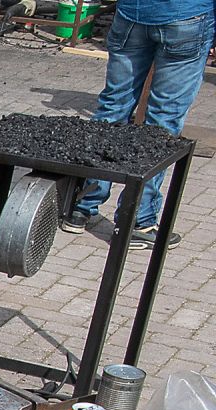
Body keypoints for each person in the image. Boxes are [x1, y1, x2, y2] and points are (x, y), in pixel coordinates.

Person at [60, 0, 213, 250]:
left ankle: (81, 207)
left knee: (112, 109)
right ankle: (137, 223)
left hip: (134, 13)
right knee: (162, 122)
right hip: (186, 16)